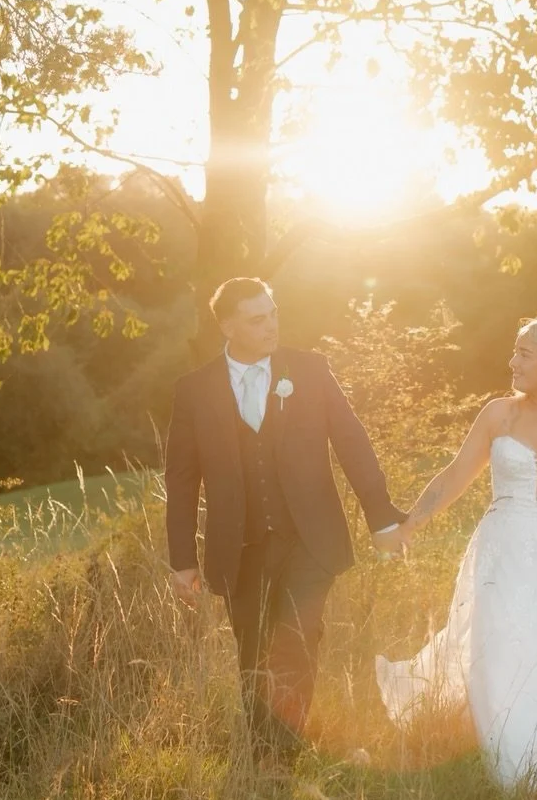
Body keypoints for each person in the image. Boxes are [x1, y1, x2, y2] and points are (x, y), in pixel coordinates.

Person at [376, 316, 537, 788]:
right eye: (515, 352)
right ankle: (506, 754)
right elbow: (455, 475)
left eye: (523, 354)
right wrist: (411, 523)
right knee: (503, 646)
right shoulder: (498, 415)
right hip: (505, 549)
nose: (511, 362)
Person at [166, 278, 407, 761]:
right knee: (253, 653)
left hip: (308, 538)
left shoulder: (310, 370)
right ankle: (263, 756)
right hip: (239, 546)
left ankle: (284, 756)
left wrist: (381, 516)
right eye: (257, 319)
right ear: (228, 325)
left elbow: (352, 443)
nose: (271, 325)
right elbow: (182, 479)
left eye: (273, 313)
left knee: (296, 639)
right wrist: (182, 558)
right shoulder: (193, 390)